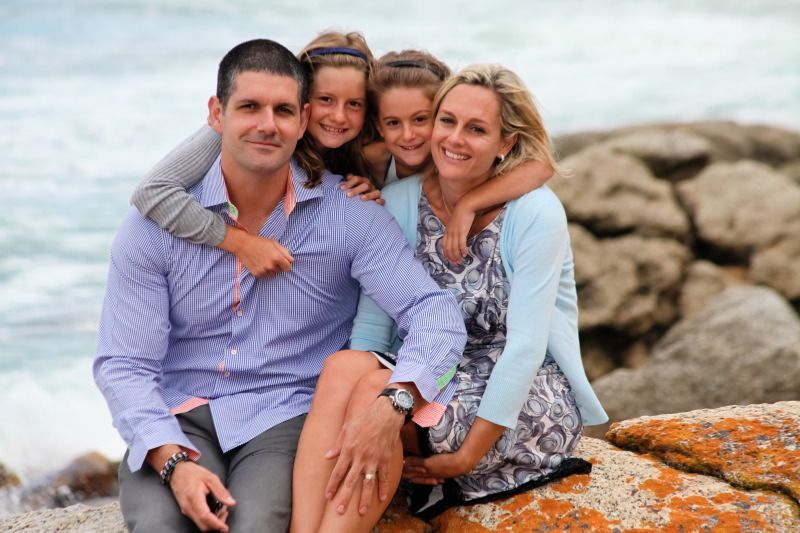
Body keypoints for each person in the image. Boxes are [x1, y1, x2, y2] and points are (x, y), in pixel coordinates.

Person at [93, 38, 466, 533]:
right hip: (177, 414)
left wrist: (397, 398)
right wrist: (170, 460)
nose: (267, 124)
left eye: (283, 110)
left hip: (282, 414)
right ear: (216, 113)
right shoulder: (151, 227)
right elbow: (124, 363)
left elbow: (433, 313)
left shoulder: (353, 214)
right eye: (249, 107)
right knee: (161, 526)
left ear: (302, 118)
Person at [293, 64, 608, 532]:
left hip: (522, 394)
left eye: (476, 129)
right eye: (447, 121)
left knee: (371, 394)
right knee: (344, 370)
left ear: (505, 144)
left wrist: (463, 458)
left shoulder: (535, 213)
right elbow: (375, 329)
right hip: (436, 369)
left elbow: (524, 350)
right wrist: (350, 409)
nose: (455, 139)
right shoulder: (399, 200)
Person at [129, 45, 555, 277]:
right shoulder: (260, 129)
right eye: (325, 100)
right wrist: (242, 242)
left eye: (353, 104)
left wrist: (468, 203)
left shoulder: (394, 145)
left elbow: (540, 165)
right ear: (303, 104)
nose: (337, 116)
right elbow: (152, 191)